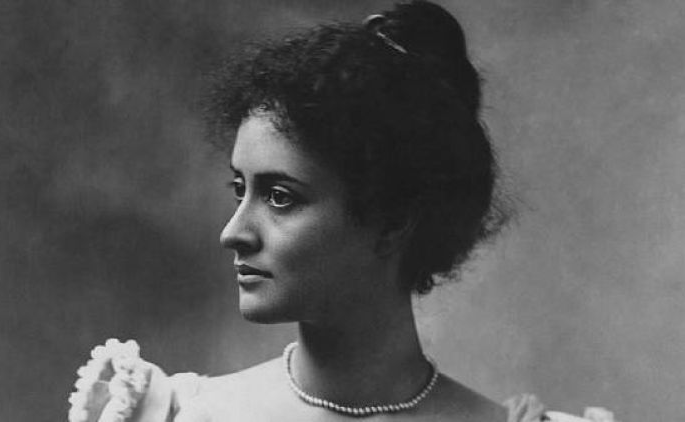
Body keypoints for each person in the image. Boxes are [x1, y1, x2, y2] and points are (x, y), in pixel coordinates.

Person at [67, 1, 618, 421]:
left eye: (280, 197)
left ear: (393, 218)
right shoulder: (175, 413)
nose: (233, 233)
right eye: (240, 190)